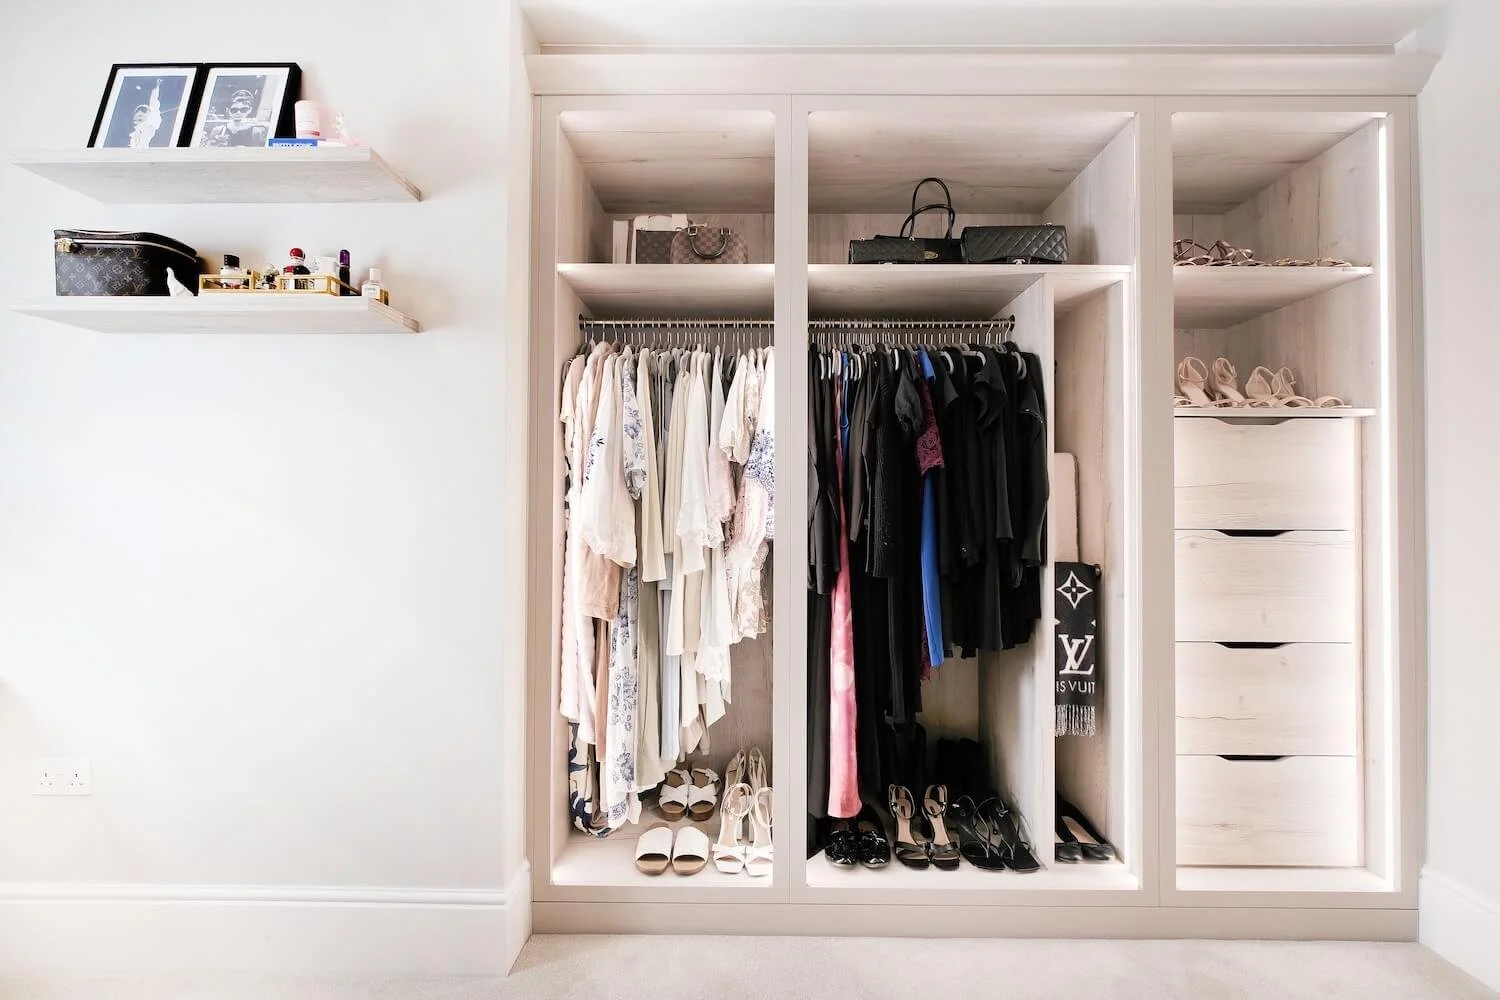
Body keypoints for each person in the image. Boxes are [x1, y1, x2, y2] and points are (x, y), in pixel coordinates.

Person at [127, 81, 162, 148]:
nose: (139, 118)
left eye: (141, 116)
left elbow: (153, 103)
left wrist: (156, 88)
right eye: (138, 117)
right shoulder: (134, 132)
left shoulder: (150, 125)